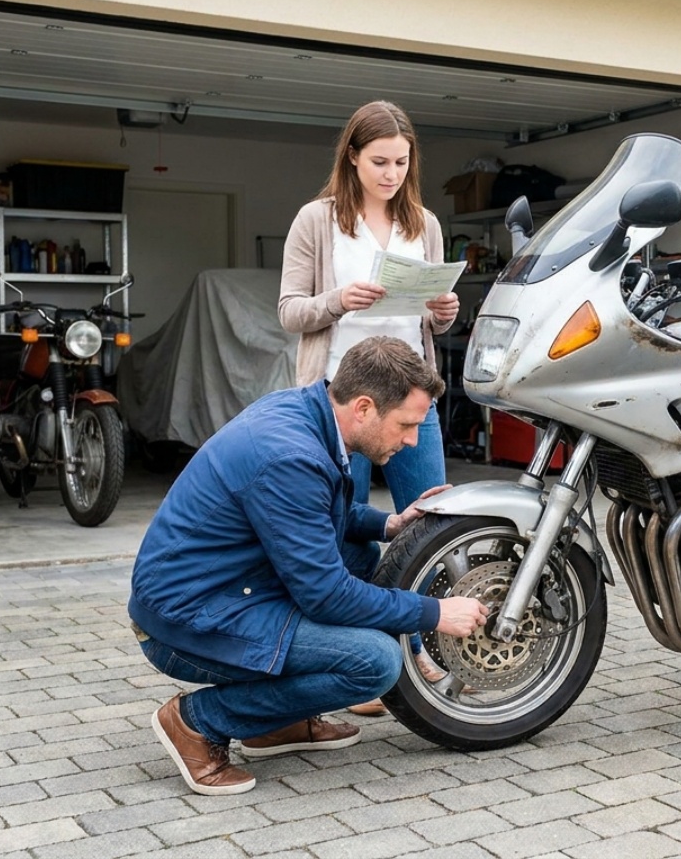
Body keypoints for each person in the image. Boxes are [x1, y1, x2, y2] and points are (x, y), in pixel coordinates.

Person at [129, 336, 489, 796]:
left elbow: (317, 512)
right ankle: (198, 722)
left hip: (224, 587)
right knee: (376, 663)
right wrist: (434, 612)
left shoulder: (308, 413)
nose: (411, 440)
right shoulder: (290, 457)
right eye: (406, 425)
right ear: (363, 408)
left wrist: (390, 523)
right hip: (185, 621)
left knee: (360, 553)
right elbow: (326, 594)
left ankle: (274, 724)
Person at [278, 100, 460, 711]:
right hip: (343, 400)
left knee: (431, 524)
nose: (391, 174)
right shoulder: (317, 219)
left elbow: (433, 308)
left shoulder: (424, 223)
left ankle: (424, 653)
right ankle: (355, 660)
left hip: (410, 394)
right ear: (351, 157)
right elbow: (288, 311)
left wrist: (442, 310)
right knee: (342, 532)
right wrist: (336, 299)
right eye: (379, 161)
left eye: (402, 163)